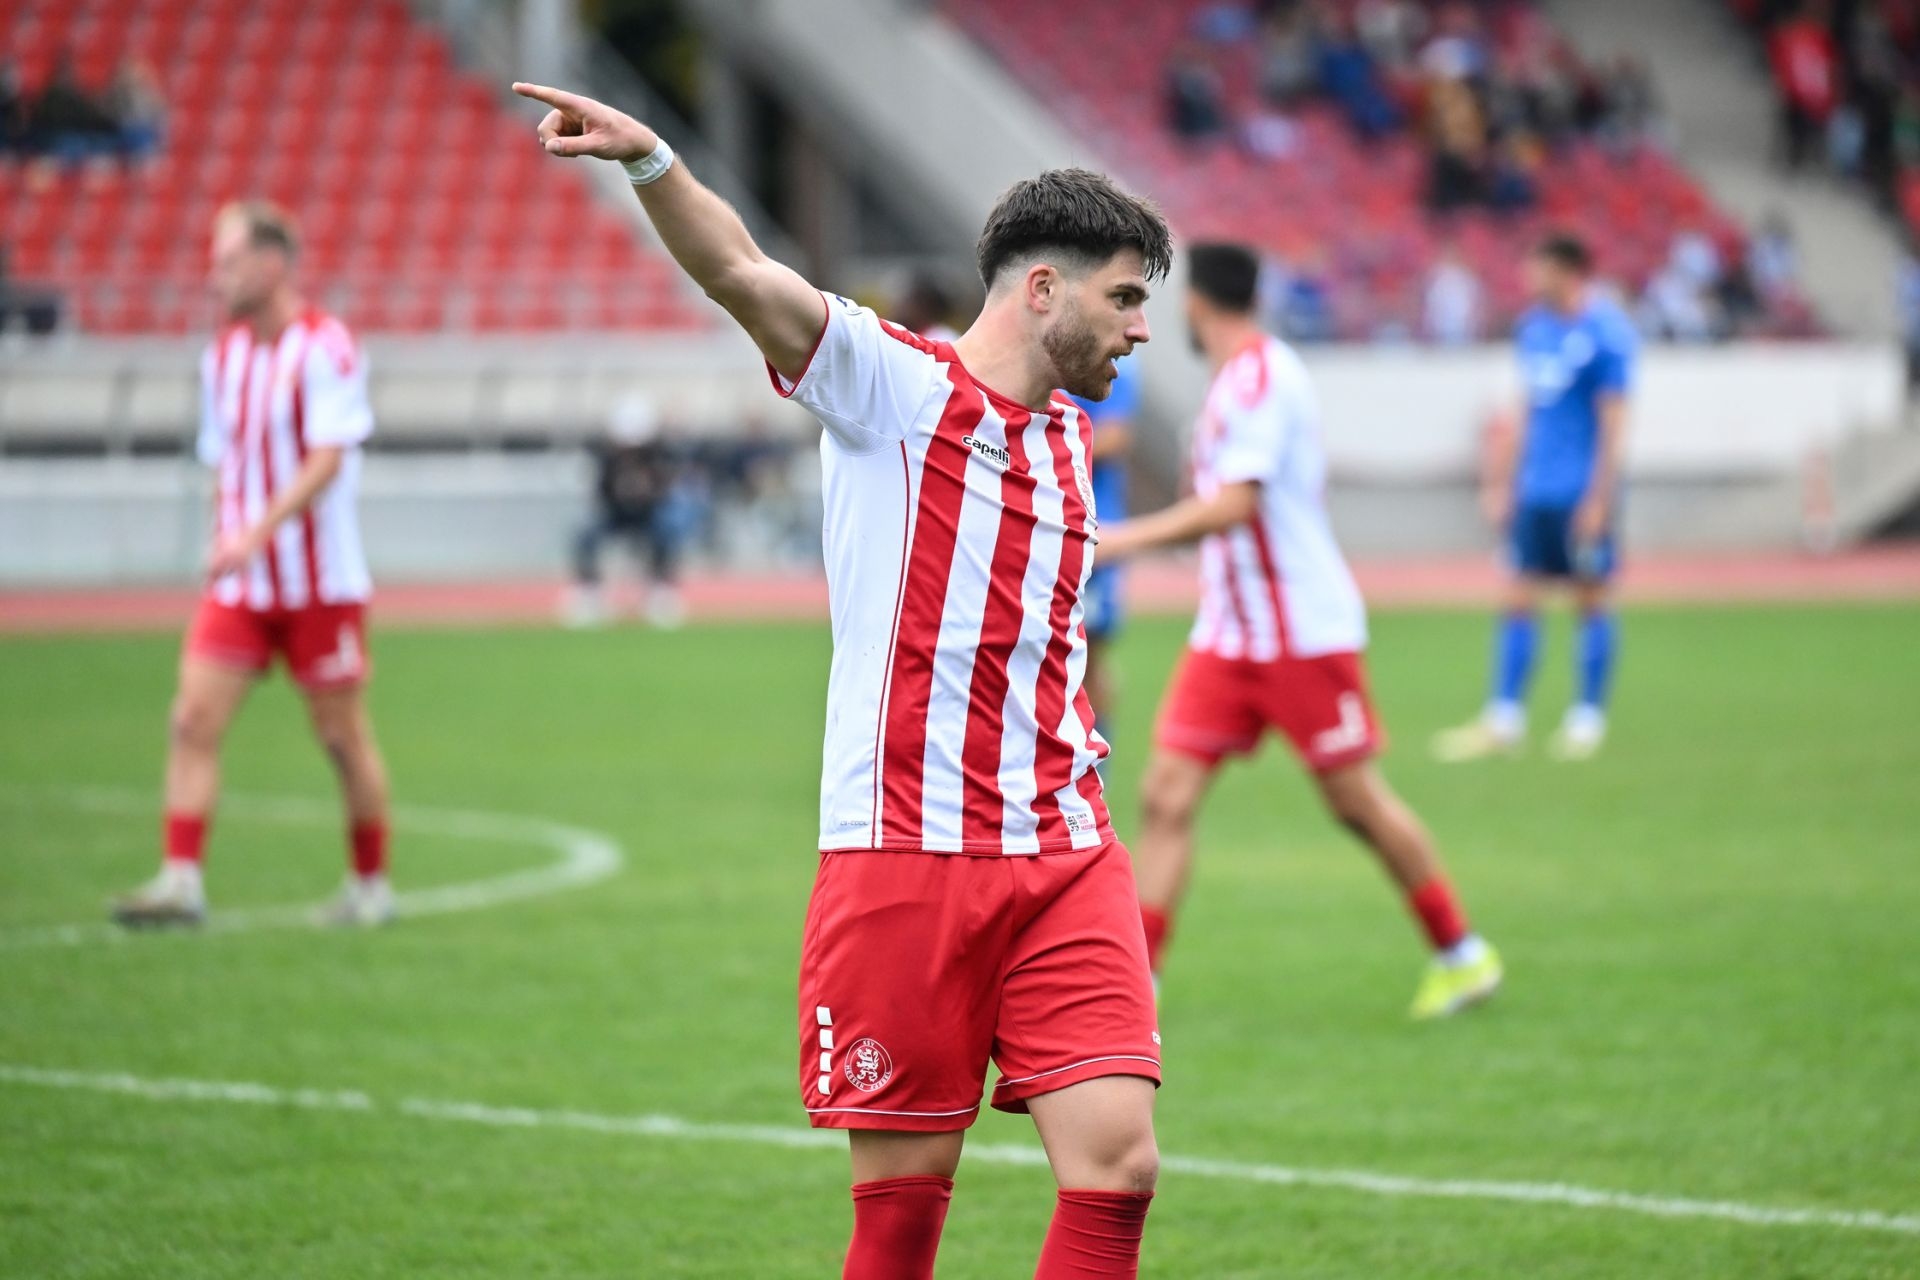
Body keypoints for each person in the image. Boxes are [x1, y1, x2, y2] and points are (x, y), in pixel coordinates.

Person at [512, 82, 1169, 1279]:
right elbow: (743, 275)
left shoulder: (1073, 442)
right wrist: (653, 158)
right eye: (1124, 297)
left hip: (1065, 848)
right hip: (905, 851)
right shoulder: (893, 385)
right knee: (903, 1215)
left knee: (1118, 1168)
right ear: (1043, 288)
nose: (1139, 329)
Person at [1096, 243, 1501, 1021]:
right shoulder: (1230, 384)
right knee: (1165, 794)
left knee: (1355, 802)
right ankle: (1137, 990)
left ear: (1197, 304)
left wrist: (1121, 540)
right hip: (1230, 634)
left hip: (1298, 632)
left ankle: (1461, 951)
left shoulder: (1262, 377)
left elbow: (1236, 505)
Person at [112, 202, 392, 929]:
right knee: (191, 719)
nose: (217, 277)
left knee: (340, 738)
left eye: (230, 261)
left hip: (319, 583)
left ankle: (370, 885)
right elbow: (224, 460)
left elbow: (327, 459)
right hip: (243, 584)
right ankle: (181, 881)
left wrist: (255, 533)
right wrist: (224, 535)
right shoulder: (223, 356)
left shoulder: (326, 346)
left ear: (272, 265)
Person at [1433, 232, 1636, 762]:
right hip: (1535, 490)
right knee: (1518, 594)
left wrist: (1600, 497)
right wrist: (1503, 482)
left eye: (1538, 269)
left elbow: (1614, 421)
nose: (1529, 279)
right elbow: (1524, 411)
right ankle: (1505, 719)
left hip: (1580, 491)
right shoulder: (1533, 329)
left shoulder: (1608, 333)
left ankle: (1587, 719)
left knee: (1590, 596)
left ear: (1568, 271)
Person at [564, 393, 689, 629]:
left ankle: (660, 589)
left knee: (668, 529)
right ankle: (590, 592)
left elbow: (665, 491)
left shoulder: (658, 456)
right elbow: (599, 494)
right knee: (586, 533)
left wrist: (646, 492)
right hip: (615, 515)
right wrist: (619, 492)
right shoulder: (606, 457)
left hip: (647, 516)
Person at [1069, 352, 1139, 746]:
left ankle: (1097, 761)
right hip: (1052, 523)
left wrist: (1050, 447)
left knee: (1090, 657)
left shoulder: (1117, 367)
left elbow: (1115, 436)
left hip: (1098, 532)